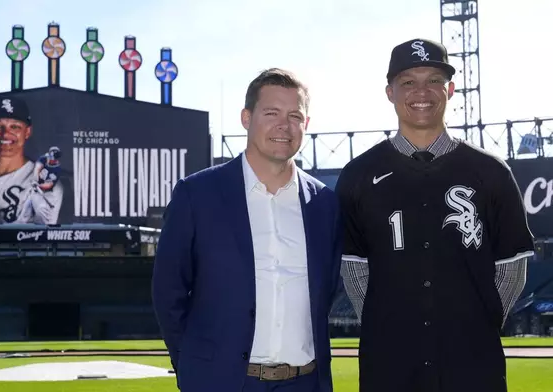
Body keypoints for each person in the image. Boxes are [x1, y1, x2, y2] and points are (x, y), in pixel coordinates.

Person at [336, 38, 534, 392]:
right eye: (408, 82)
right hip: (390, 361)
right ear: (389, 92)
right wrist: (390, 325)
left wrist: (479, 321)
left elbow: (512, 265)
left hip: (473, 360)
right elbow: (354, 268)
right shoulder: (358, 174)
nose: (421, 92)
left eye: (433, 80)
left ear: (450, 89)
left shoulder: (490, 171)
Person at [152, 68, 341, 392]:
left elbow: (328, 290)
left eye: (295, 115)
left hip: (304, 382)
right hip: (221, 382)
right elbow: (168, 291)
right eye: (271, 113)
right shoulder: (197, 194)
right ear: (246, 117)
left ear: (306, 125)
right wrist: (191, 367)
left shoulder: (324, 203)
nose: (284, 125)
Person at [0, 96, 63, 224]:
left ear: (27, 131)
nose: (5, 134)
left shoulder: (46, 182)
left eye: (15, 127)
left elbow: (43, 234)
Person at [16, 146, 63, 224]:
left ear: (56, 159)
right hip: (36, 187)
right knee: (28, 203)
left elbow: (49, 185)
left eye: (53, 158)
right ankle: (21, 222)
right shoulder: (44, 158)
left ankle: (45, 226)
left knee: (42, 211)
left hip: (47, 193)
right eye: (50, 157)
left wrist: (39, 186)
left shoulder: (57, 169)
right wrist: (35, 179)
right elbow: (37, 168)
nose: (50, 159)